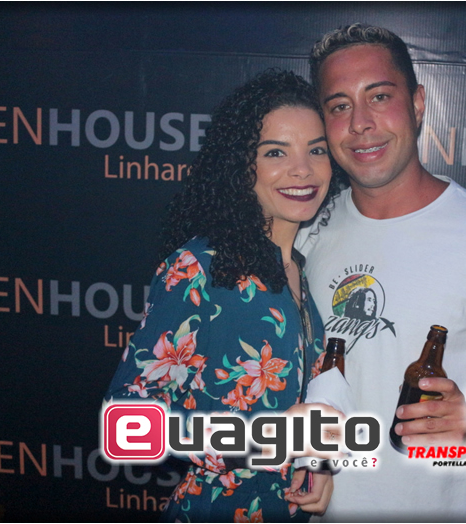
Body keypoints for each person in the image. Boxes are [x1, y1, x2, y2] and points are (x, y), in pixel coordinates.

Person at [296, 24, 466, 522]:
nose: (360, 123)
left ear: (418, 104)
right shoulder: (306, 231)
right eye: (339, 106)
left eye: (379, 97)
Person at [104, 69, 345, 522]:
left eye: (316, 150)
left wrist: (320, 462)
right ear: (240, 166)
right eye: (275, 152)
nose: (303, 169)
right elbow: (128, 422)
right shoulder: (200, 268)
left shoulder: (300, 267)